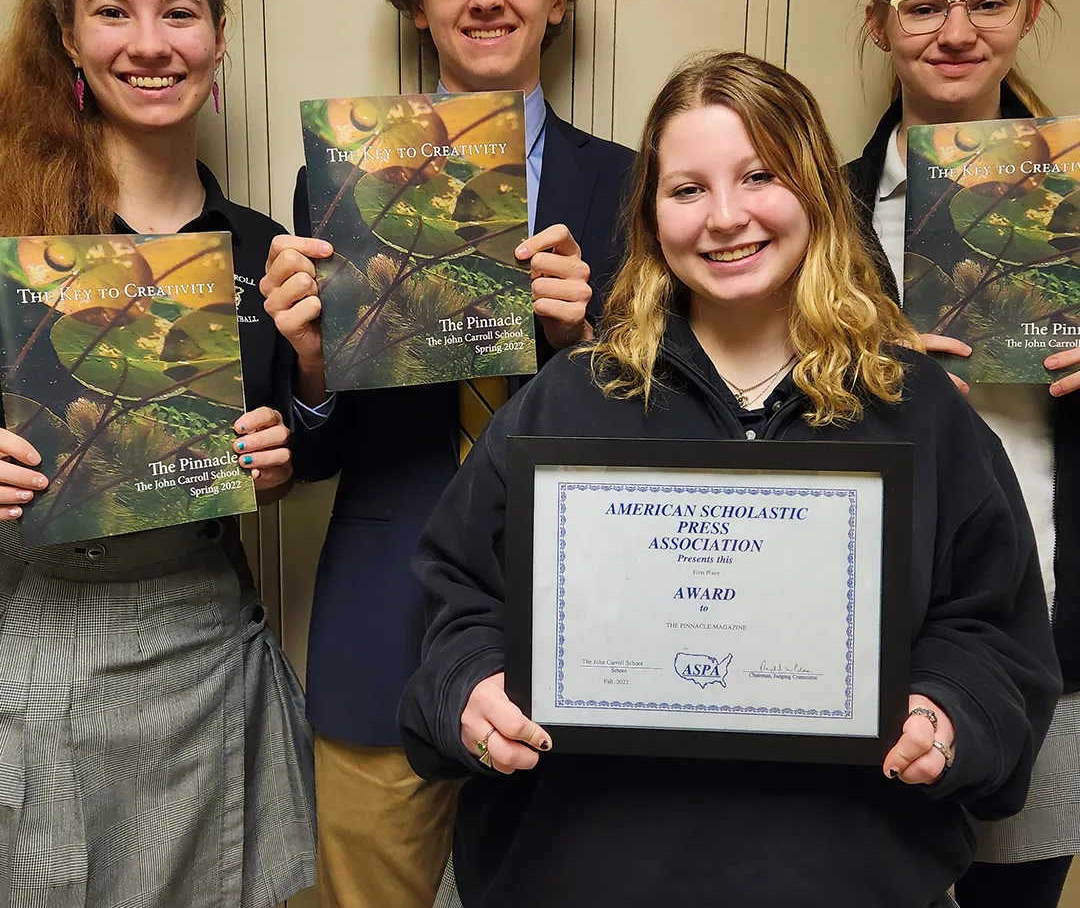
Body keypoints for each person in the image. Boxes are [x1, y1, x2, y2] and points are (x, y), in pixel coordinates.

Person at [396, 50, 1061, 908]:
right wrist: (472, 686)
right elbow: (461, 593)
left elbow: (989, 630)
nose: (725, 217)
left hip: (844, 876)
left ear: (817, 190)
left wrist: (948, 714)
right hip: (582, 874)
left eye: (759, 175)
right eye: (686, 189)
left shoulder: (917, 406)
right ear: (650, 213)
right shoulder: (571, 396)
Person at [259, 0, 634, 908]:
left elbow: (662, 444)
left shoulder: (634, 183)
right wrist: (317, 368)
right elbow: (321, 455)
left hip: (577, 640)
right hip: (385, 629)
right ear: (415, 5)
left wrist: (585, 350)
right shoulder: (337, 176)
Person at [0, 0, 316, 907]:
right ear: (69, 41)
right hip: (55, 647)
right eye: (111, 12)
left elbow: (278, 464)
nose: (148, 44)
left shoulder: (266, 247)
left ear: (217, 40)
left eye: (178, 12)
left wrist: (292, 424)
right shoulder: (13, 239)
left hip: (210, 651)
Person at [849, 0, 1079, 907]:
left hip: (1048, 642)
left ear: (1029, 13)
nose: (955, 31)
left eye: (989, 1)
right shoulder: (816, 211)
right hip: (861, 651)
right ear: (880, 24)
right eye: (924, 7)